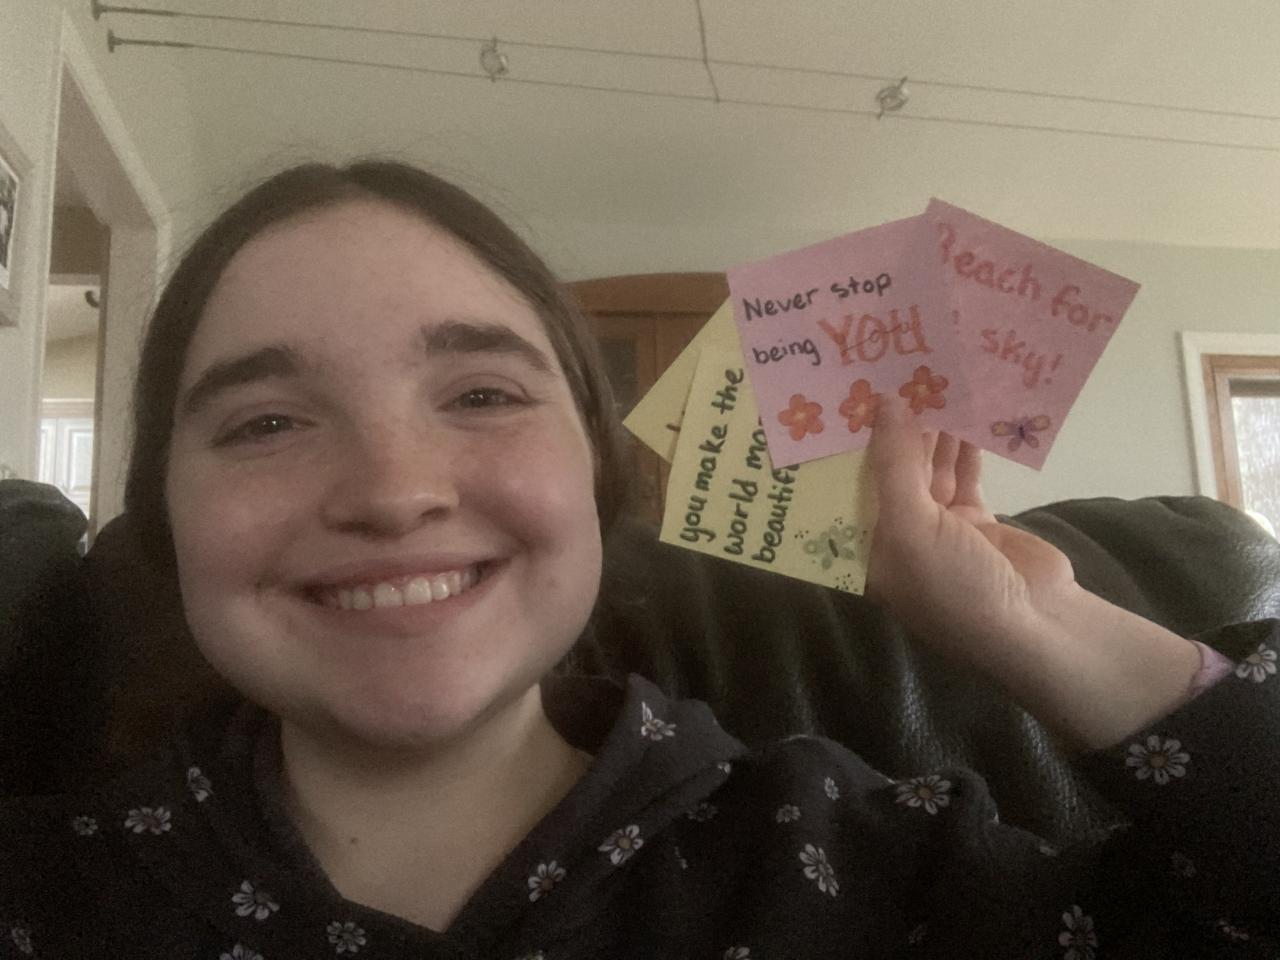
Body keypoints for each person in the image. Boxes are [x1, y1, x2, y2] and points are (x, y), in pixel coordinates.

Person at [1, 161, 1276, 958]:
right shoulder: (40, 896)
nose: (392, 493)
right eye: (265, 423)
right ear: (163, 518)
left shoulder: (862, 862)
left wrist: (1046, 627)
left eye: (484, 395)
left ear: (598, 484)